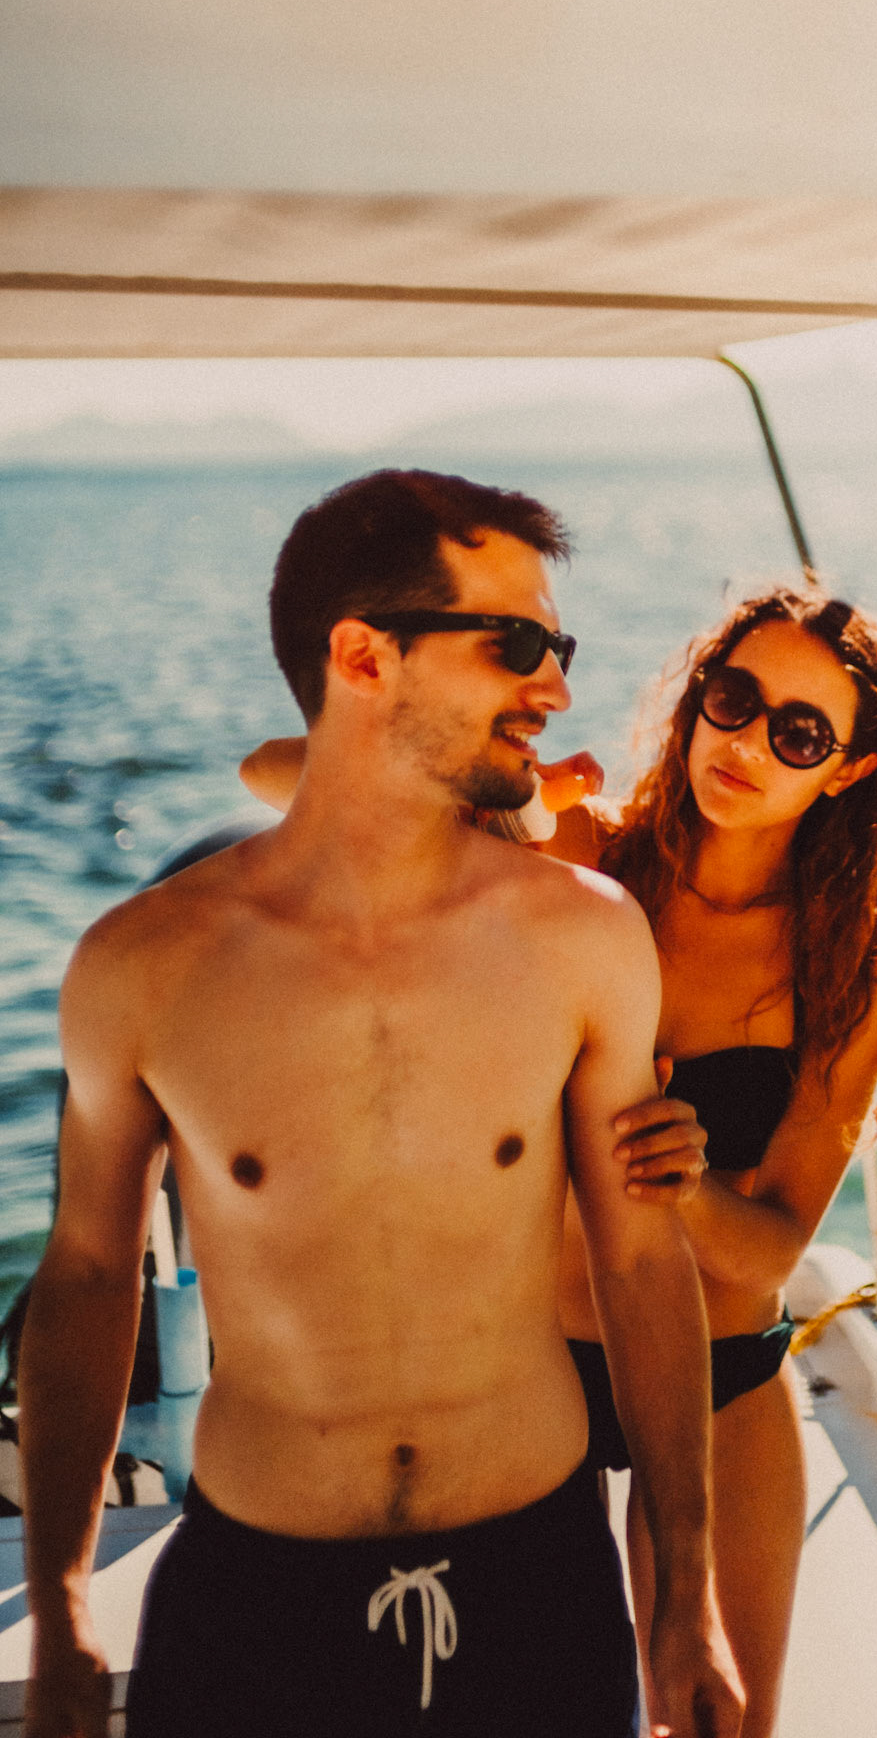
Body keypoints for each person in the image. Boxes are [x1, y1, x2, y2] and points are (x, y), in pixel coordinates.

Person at [20, 470, 741, 1738]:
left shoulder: (585, 939)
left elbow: (639, 1259)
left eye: (556, 648)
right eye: (517, 645)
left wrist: (687, 1591)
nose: (558, 691)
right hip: (255, 1600)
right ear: (364, 654)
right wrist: (64, 1595)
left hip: (541, 1587)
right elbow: (87, 1274)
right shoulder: (145, 965)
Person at [244, 584, 877, 1738]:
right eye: (734, 697)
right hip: (533, 1383)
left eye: (799, 732)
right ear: (697, 700)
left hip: (719, 1378)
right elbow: (276, 775)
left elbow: (774, 1244)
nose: (748, 740)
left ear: (849, 770)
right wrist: (484, 773)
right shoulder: (581, 850)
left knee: (718, 1723)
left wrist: (687, 1178)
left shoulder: (853, 950)